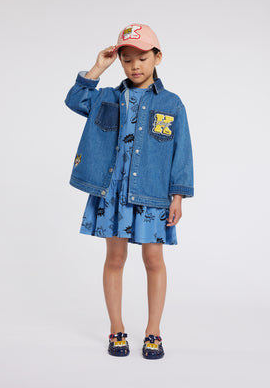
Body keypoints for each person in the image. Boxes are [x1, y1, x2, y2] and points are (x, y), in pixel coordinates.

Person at [64, 23, 194, 359]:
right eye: (127, 59)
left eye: (142, 58)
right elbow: (75, 99)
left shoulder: (172, 103)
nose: (135, 65)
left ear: (157, 57)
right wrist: (99, 67)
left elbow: (181, 152)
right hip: (112, 193)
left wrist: (178, 196)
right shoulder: (107, 97)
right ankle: (116, 328)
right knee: (115, 258)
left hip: (152, 194)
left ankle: (154, 331)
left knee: (153, 259)